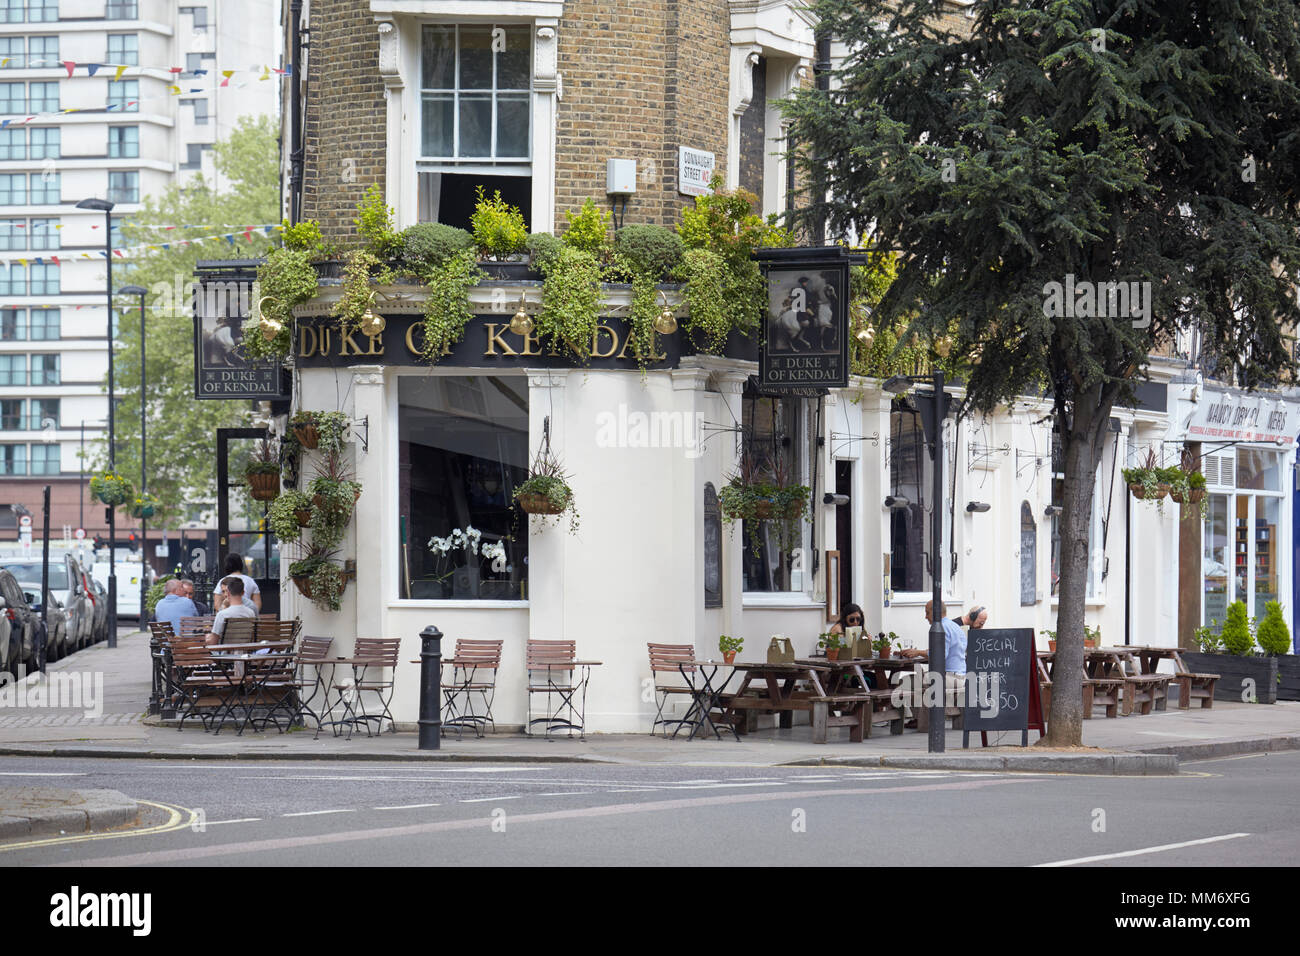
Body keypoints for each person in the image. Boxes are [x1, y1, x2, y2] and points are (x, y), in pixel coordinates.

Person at [897, 599, 967, 721]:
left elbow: (939, 655)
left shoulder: (941, 628)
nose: (925, 617)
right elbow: (947, 650)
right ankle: (920, 717)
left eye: (927, 612)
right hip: (961, 677)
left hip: (947, 677)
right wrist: (922, 652)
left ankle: (919, 719)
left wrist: (918, 652)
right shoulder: (955, 626)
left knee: (906, 682)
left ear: (935, 612)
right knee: (919, 680)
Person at [206, 576, 257, 645]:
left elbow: (213, 642)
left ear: (229, 593)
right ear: (243, 592)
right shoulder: (251, 613)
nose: (224, 595)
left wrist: (207, 639)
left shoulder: (222, 614)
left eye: (225, 591)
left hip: (225, 653)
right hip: (245, 652)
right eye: (223, 592)